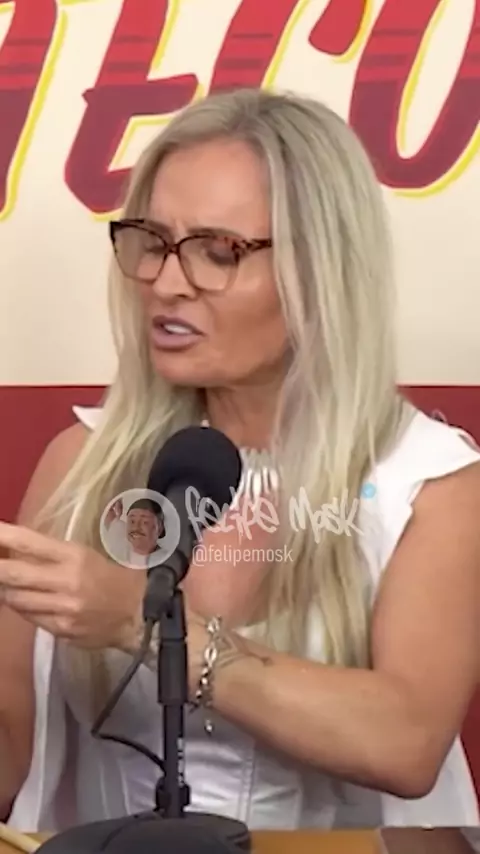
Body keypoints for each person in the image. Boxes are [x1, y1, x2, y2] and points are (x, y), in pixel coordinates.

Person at [0, 87, 479, 831]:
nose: (165, 283)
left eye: (217, 250)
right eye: (152, 241)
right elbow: (10, 758)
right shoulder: (81, 465)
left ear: (320, 270)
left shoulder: (429, 484)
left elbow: (406, 742)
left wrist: (142, 624)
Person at [102, 497, 165, 567]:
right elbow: (108, 515)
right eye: (132, 521)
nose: (136, 527)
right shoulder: (120, 543)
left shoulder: (166, 561)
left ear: (160, 528)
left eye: (145, 522)